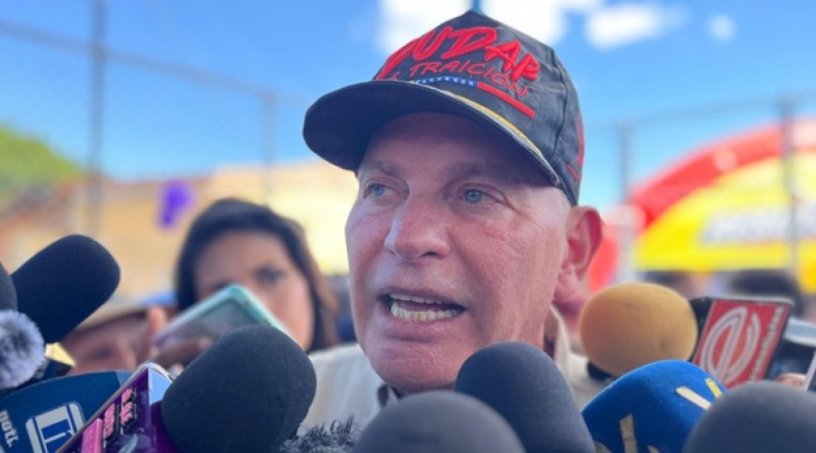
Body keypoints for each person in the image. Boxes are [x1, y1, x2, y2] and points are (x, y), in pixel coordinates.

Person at [300, 10, 604, 429]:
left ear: (571, 251)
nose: (406, 238)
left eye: (476, 195)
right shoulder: (288, 412)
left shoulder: (642, 433)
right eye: (381, 189)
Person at [152, 198, 340, 368]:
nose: (255, 304)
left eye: (271, 277)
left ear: (310, 283)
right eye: (224, 293)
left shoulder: (355, 378)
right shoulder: (172, 388)